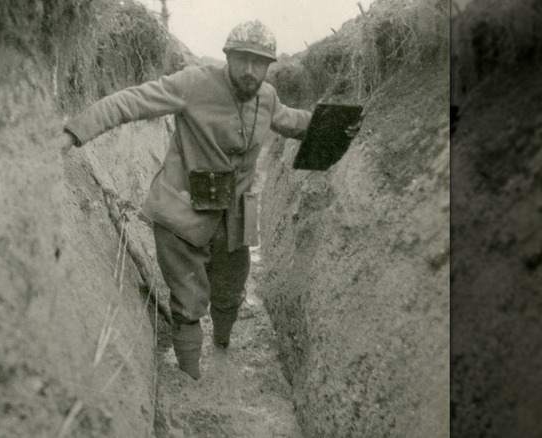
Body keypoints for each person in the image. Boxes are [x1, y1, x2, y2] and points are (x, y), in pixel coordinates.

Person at [54, 20, 359, 379]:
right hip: (182, 212)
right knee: (188, 301)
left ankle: (223, 348)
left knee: (231, 291)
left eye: (259, 62)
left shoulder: (267, 96)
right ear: (227, 57)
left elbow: (291, 121)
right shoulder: (194, 83)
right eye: (242, 60)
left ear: (268, 66)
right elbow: (132, 102)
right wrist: (73, 133)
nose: (249, 71)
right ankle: (192, 381)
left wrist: (338, 126)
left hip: (234, 215)